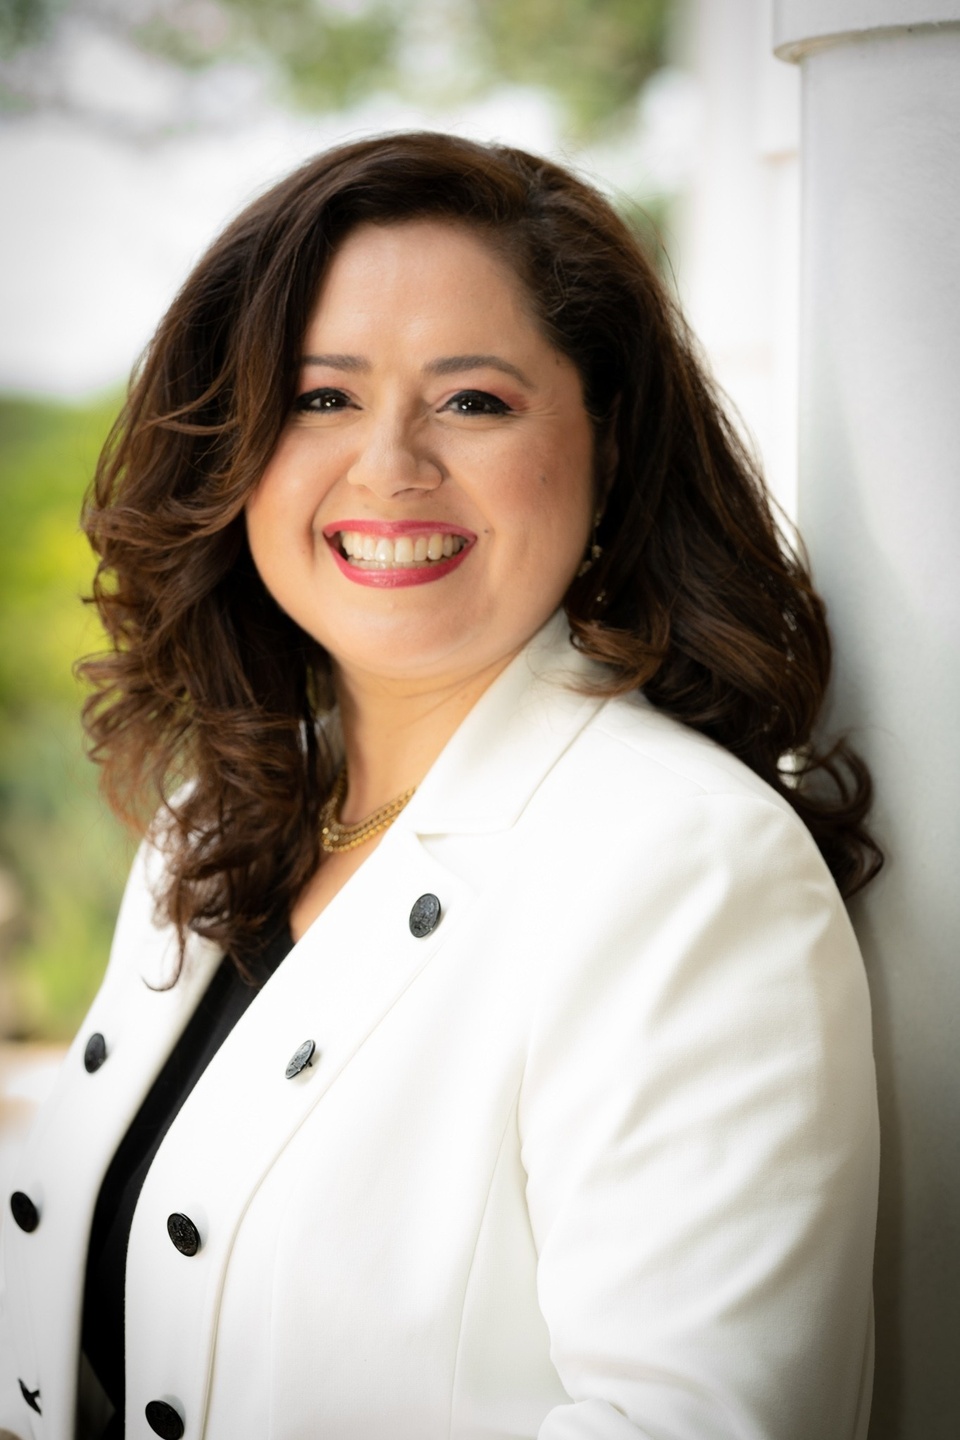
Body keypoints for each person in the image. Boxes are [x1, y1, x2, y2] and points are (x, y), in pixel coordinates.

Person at [0, 132, 880, 1440]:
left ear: (609, 447)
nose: (389, 466)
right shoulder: (220, 815)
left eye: (472, 402)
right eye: (321, 397)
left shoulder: (687, 865)